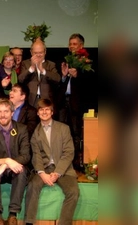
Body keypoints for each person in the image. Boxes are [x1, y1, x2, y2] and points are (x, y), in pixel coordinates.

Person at [24, 99, 79, 225]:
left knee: (73, 192)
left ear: (52, 112)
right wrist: (42, 173)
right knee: (32, 186)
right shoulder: (35, 134)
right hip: (44, 168)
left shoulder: (63, 129)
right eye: (41, 109)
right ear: (37, 113)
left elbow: (69, 152)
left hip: (63, 169)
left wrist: (58, 173)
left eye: (47, 109)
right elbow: (36, 156)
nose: (44, 112)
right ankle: (29, 222)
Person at [0, 98, 31, 225]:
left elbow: (26, 156)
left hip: (14, 168)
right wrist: (6, 162)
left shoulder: (22, 129)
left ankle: (13, 214)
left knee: (21, 171)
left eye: (6, 111)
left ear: (12, 112)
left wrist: (7, 164)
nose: (2, 115)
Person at [58, 33, 88, 171]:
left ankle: (76, 163)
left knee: (76, 133)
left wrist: (77, 76)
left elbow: (90, 84)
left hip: (77, 103)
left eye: (74, 44)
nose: (71, 46)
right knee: (62, 132)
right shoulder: (66, 60)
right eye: (70, 44)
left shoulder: (87, 62)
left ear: (81, 45)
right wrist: (64, 77)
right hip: (64, 102)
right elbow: (61, 84)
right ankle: (62, 163)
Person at [18, 40, 60, 108]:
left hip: (47, 101)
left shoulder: (51, 64)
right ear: (31, 52)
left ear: (45, 52)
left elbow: (57, 79)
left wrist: (43, 70)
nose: (38, 55)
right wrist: (31, 68)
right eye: (35, 53)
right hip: (30, 101)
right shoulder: (25, 63)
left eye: (40, 52)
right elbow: (20, 79)